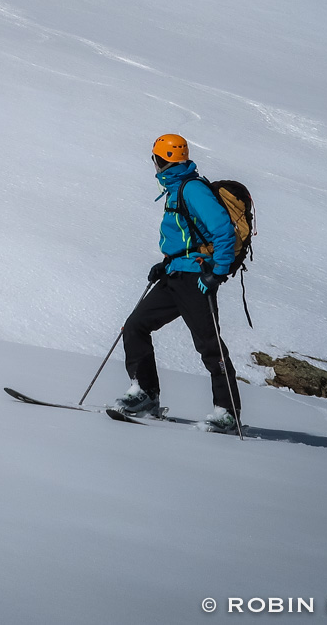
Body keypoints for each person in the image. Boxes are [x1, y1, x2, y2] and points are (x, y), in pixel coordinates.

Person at [114, 134, 242, 432]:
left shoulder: (192, 189)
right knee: (135, 326)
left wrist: (217, 273)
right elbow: (186, 236)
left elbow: (223, 230)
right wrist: (167, 263)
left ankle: (228, 413)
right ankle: (145, 394)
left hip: (197, 278)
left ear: (160, 160)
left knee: (209, 345)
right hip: (176, 273)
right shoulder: (175, 188)